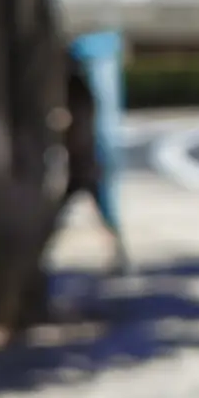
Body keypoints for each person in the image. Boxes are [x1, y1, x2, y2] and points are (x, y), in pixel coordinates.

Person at [57, 51, 129, 274]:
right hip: (85, 161)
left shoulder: (78, 92)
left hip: (85, 162)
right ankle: (119, 252)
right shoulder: (83, 91)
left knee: (58, 213)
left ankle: (119, 252)